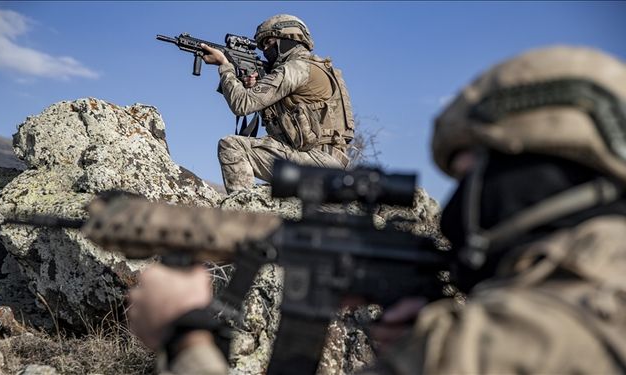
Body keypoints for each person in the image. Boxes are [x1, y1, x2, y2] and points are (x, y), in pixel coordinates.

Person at [128, 45, 626, 374]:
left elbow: (248, 103)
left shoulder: (533, 337)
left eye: (476, 174)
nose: (460, 205)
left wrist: (185, 337)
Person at [199, 14, 355, 194]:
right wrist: (255, 87)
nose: (265, 50)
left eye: (269, 43)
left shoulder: (296, 68)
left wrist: (225, 66)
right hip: (327, 162)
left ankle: (244, 215)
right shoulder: (313, 68)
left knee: (232, 146)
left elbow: (241, 104)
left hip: (316, 162)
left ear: (287, 39)